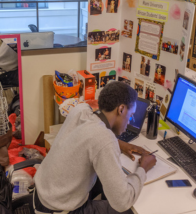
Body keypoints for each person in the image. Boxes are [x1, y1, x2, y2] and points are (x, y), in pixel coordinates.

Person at [34, 82, 157, 214]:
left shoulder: (80, 110)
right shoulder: (104, 139)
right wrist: (143, 168)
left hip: (42, 196)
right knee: (129, 210)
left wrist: (121, 144)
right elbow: (122, 202)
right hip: (60, 209)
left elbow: (91, 136)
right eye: (130, 115)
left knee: (107, 183)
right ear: (121, 109)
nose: (129, 121)